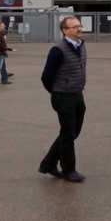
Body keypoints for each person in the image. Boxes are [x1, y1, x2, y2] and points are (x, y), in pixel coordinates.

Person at [38, 17, 88, 182]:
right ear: (65, 31)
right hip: (63, 95)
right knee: (67, 134)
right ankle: (69, 170)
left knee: (73, 132)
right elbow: (46, 76)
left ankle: (48, 163)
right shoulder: (57, 50)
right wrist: (55, 91)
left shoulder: (81, 45)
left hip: (77, 93)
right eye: (75, 27)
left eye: (79, 26)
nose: (79, 29)